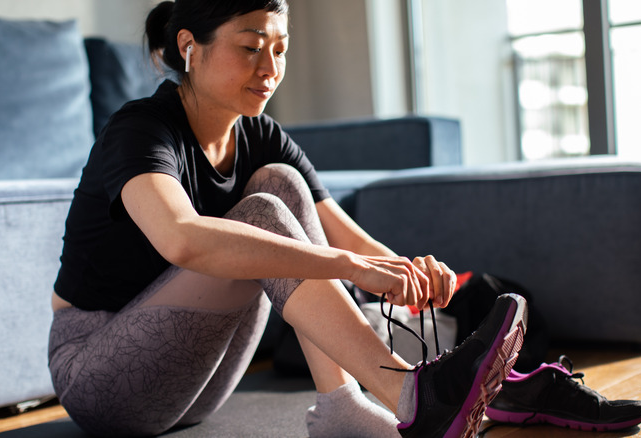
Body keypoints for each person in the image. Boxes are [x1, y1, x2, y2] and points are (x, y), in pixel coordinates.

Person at [47, 1, 526, 437]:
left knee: (280, 182)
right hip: (100, 374)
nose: (270, 69)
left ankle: (341, 404)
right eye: (252, 48)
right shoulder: (140, 129)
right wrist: (350, 268)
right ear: (189, 46)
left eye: (280, 50)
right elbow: (182, 239)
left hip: (199, 383)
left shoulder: (262, 136)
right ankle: (412, 394)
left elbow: (343, 236)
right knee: (262, 213)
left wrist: (408, 270)